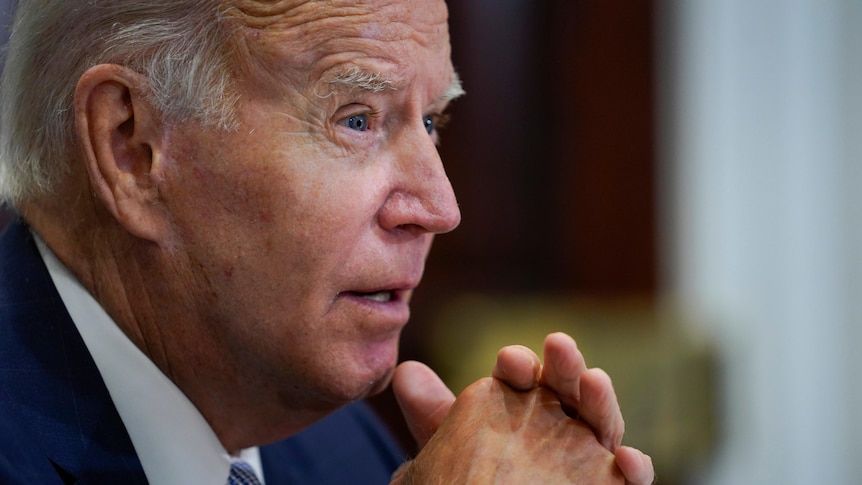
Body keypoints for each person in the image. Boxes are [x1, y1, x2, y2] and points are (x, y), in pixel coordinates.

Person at [0, 1, 655, 484]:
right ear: (132, 147)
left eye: (431, 120)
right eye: (358, 119)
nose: (440, 208)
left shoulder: (339, 447)